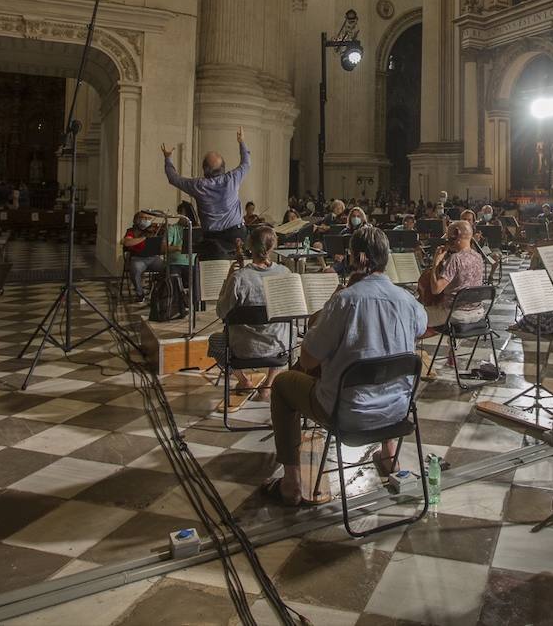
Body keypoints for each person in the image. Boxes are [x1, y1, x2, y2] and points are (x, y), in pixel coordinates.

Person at [265, 227, 427, 506]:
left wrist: (332, 304)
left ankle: (290, 483)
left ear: (356, 257)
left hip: (349, 413)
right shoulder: (407, 301)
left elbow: (307, 360)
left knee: (281, 384)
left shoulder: (345, 300)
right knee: (384, 368)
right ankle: (389, 455)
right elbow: (422, 328)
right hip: (398, 410)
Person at [214, 225, 292, 402]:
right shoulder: (285, 273)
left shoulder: (239, 277)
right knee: (291, 332)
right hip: (277, 346)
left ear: (250, 246)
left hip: (244, 349)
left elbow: (221, 312)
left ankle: (244, 381)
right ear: (272, 247)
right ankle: (267, 387)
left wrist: (228, 279)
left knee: (215, 341)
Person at [162, 129, 249, 252]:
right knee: (237, 265)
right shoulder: (232, 178)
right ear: (223, 167)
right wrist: (241, 142)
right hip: (236, 234)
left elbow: (174, 178)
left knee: (211, 269)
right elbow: (246, 163)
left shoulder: (198, 185)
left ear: (204, 169)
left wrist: (168, 158)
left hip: (212, 238)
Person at [420, 219, 485, 331]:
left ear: (456, 234)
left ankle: (411, 347)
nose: (447, 240)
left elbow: (436, 289)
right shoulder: (478, 257)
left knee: (413, 314)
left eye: (449, 236)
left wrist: (435, 263)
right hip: (478, 313)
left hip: (455, 314)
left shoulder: (455, 259)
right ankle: (451, 347)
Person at [122, 211, 165, 303]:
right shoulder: (131, 231)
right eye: (143, 218)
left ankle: (159, 290)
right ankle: (140, 294)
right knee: (135, 271)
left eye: (148, 219)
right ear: (137, 220)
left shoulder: (154, 229)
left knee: (168, 268)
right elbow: (127, 242)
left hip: (153, 258)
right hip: (138, 258)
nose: (146, 221)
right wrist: (144, 238)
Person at [165, 201, 199, 295]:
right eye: (182, 214)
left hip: (192, 263)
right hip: (175, 263)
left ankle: (193, 302)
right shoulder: (172, 228)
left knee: (199, 278)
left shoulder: (196, 229)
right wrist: (178, 247)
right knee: (174, 280)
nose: (184, 216)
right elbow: (164, 248)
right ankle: (176, 302)